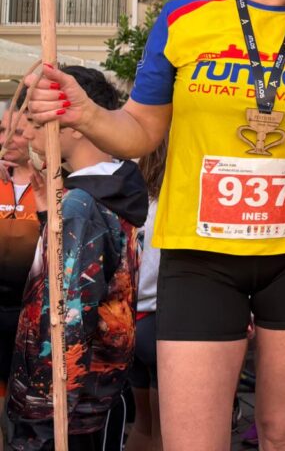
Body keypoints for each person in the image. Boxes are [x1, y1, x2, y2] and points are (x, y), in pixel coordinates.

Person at [26, 0, 285, 451]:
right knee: (192, 441)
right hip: (201, 256)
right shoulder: (184, 19)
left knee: (283, 434)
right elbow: (140, 130)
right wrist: (84, 112)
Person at [7, 67, 147, 450]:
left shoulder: (82, 204)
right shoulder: (107, 191)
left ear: (73, 125)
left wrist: (46, 406)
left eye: (37, 121)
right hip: (92, 392)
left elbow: (68, 314)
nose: (28, 133)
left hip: (69, 405)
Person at [125, 140, 166, 451]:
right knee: (166, 433)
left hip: (129, 320)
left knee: (144, 423)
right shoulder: (173, 204)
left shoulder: (132, 197)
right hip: (160, 321)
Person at [0, 97, 41, 402]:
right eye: (2, 130)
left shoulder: (54, 185)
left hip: (32, 315)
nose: (4, 140)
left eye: (15, 132)